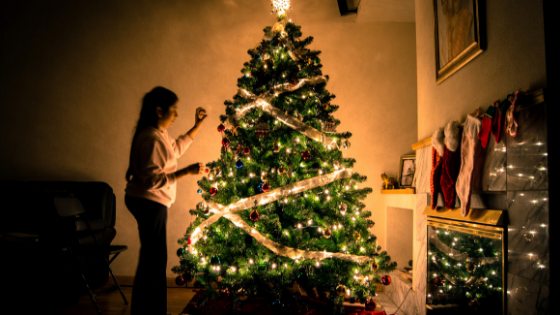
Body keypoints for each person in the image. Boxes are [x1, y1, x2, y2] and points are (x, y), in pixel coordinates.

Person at [124, 86, 206, 315]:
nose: (176, 115)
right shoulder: (150, 138)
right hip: (149, 202)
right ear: (159, 111)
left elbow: (174, 149)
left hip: (150, 202)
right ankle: (151, 312)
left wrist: (196, 126)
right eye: (174, 110)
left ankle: (147, 311)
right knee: (154, 262)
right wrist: (185, 172)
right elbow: (152, 181)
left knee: (152, 259)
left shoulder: (159, 134)